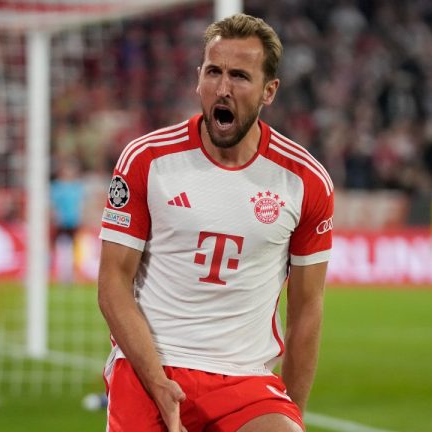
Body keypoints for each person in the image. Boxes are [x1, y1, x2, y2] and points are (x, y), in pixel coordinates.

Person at [97, 13, 334, 432]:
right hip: (151, 367)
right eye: (213, 72)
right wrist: (157, 381)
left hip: (246, 378)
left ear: (269, 91)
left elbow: (308, 308)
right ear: (198, 79)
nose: (222, 88)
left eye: (240, 76)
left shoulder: (305, 181)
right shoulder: (147, 160)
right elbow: (113, 282)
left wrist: (290, 409)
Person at [50, 157, 85, 284]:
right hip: (61, 222)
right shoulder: (56, 187)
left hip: (74, 222)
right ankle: (62, 274)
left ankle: (69, 274)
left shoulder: (77, 187)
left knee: (71, 248)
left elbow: (80, 205)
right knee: (62, 247)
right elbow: (53, 205)